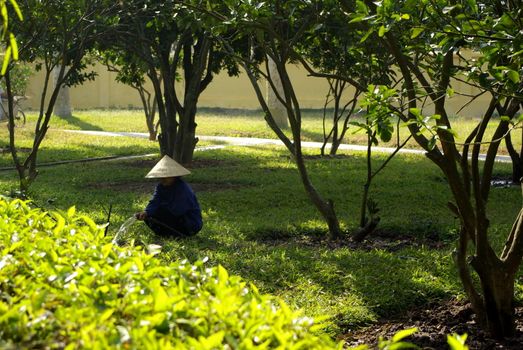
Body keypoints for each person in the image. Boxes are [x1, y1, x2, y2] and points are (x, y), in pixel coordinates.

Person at [135, 155, 203, 237]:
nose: (162, 179)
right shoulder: (160, 187)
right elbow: (155, 201)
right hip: (174, 218)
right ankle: (165, 234)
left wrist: (159, 211)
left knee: (158, 212)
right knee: (149, 215)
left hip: (189, 224)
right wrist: (146, 212)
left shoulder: (183, 189)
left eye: (165, 177)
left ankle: (177, 235)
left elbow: (178, 210)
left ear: (174, 176)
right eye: (161, 177)